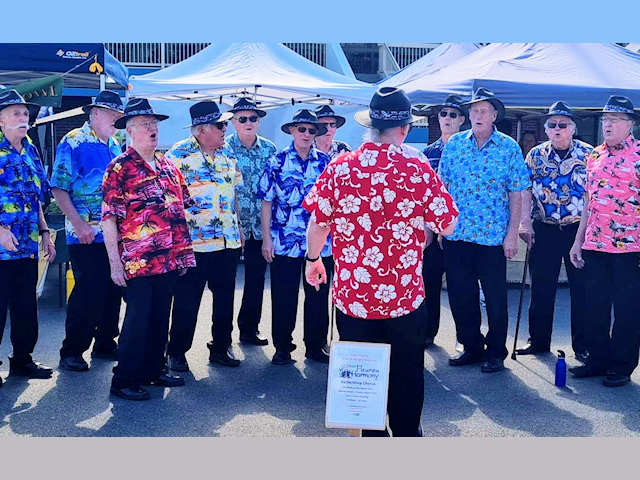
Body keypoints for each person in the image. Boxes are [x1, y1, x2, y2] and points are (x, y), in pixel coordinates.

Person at [304, 87, 458, 436]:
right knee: (406, 374)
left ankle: (372, 438)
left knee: (364, 378)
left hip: (354, 298)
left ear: (370, 125)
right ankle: (405, 435)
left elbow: (317, 223)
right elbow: (447, 222)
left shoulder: (340, 166)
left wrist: (313, 260)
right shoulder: (416, 167)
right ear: (404, 129)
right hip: (404, 296)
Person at [102, 98, 196, 401]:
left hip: (168, 258)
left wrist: (182, 254)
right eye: (145, 124)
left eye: (154, 123)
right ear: (130, 131)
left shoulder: (168, 165)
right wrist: (115, 264)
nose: (153, 128)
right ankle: (124, 379)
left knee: (159, 318)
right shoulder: (120, 168)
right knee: (137, 320)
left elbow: (181, 210)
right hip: (137, 261)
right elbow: (109, 219)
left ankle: (153, 371)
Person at [439, 87, 531, 373]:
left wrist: (512, 234)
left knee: (495, 298)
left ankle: (495, 352)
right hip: (457, 236)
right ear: (468, 115)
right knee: (460, 295)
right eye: (474, 111)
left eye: (484, 111)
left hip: (492, 239)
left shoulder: (508, 147)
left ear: (494, 116)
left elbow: (517, 192)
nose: (478, 115)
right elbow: (442, 187)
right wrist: (442, 227)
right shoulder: (454, 145)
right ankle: (472, 346)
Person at [166, 101, 244, 370]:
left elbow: (233, 193)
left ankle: (221, 348)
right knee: (187, 301)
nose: (226, 129)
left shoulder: (227, 153)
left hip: (227, 240)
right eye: (220, 125)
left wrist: (239, 227)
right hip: (194, 244)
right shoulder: (177, 155)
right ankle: (176, 351)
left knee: (225, 300)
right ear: (202, 129)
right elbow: (168, 203)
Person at [569, 95, 640, 388]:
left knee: (626, 309)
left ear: (630, 124)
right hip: (595, 244)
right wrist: (578, 241)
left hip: (629, 248)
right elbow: (589, 202)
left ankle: (621, 365)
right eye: (604, 120)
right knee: (594, 305)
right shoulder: (594, 155)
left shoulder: (638, 154)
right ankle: (597, 360)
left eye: (614, 120)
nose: (607, 125)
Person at [51, 90, 124, 372]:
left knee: (112, 289)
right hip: (86, 233)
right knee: (88, 292)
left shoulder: (116, 144)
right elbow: (58, 187)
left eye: (119, 115)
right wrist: (79, 224)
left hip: (113, 234)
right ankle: (72, 350)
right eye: (111, 114)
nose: (116, 119)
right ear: (94, 114)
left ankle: (106, 342)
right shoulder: (74, 141)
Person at [516, 101, 591, 361]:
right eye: (552, 125)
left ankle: (582, 345)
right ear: (546, 129)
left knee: (581, 289)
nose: (557, 129)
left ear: (572, 128)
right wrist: (524, 221)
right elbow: (525, 189)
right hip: (544, 228)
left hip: (577, 230)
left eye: (563, 124)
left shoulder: (589, 154)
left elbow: (594, 195)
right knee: (541, 288)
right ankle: (538, 341)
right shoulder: (534, 155)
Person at [258, 109, 332, 365]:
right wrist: (266, 239)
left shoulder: (325, 162)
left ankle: (315, 345)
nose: (307, 134)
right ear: (291, 130)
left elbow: (333, 203)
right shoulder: (276, 161)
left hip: (319, 243)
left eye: (312, 130)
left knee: (318, 296)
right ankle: (282, 347)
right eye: (302, 129)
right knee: (284, 295)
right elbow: (266, 202)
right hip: (284, 241)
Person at [0, 89, 56, 385]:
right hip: (0, 249)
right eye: (16, 114)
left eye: (25, 114)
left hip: (27, 245)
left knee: (25, 306)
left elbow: (37, 199)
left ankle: (22, 360)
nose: (23, 119)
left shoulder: (31, 149)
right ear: (0, 121)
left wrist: (46, 233)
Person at [414, 94, 467, 347]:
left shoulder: (468, 152)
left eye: (453, 115)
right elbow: (421, 193)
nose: (447, 119)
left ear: (462, 120)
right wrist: (426, 227)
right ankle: (428, 332)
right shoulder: (427, 153)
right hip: (429, 229)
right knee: (429, 284)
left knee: (460, 288)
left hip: (457, 229)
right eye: (444, 114)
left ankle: (464, 339)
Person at [226, 98, 276, 347]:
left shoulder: (270, 149)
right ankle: (222, 337)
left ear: (259, 121)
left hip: (260, 226)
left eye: (252, 118)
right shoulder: (223, 149)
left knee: (256, 281)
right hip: (231, 227)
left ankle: (249, 329)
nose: (248, 123)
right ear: (233, 122)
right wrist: (236, 224)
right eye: (242, 118)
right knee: (224, 285)